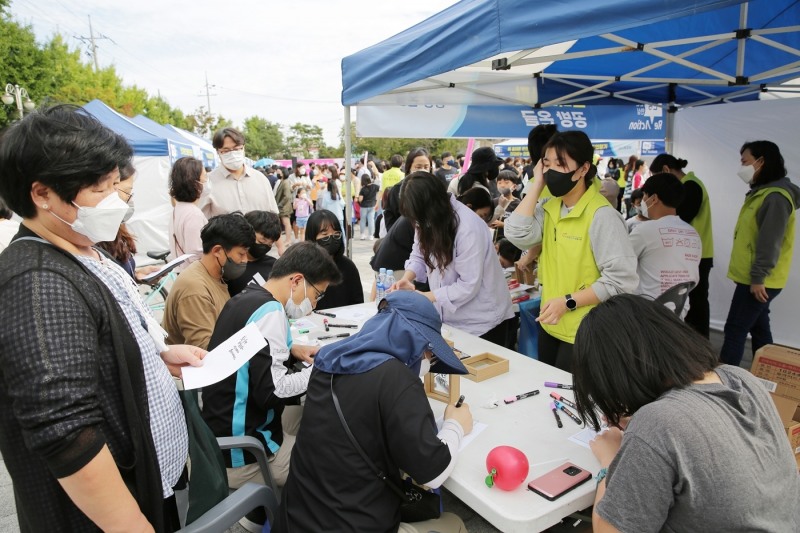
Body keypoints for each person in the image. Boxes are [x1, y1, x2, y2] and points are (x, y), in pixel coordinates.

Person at [0, 105, 204, 531]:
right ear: (42, 194)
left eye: (116, 185)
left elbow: (98, 345)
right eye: (100, 189)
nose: (115, 202)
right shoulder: (38, 281)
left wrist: (151, 357)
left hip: (148, 483)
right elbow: (65, 430)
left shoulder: (82, 247)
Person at [572, 295, 800, 532]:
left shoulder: (658, 423)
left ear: (615, 373)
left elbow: (610, 530)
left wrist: (610, 460)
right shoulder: (741, 377)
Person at [273, 291, 472, 533]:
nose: (429, 358)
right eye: (428, 349)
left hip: (296, 517)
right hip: (354, 522)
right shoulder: (396, 379)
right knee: (454, 523)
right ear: (413, 341)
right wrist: (455, 425)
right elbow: (433, 474)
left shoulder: (329, 357)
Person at [202, 242, 340, 491]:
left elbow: (252, 354)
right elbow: (273, 391)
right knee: (332, 460)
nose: (315, 305)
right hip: (245, 452)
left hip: (221, 429)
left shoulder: (248, 296)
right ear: (297, 281)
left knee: (309, 415)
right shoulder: (271, 313)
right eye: (317, 295)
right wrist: (318, 369)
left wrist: (292, 349)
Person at [504, 131, 638, 370]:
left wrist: (567, 302)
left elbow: (621, 280)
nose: (552, 171)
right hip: (551, 325)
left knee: (576, 402)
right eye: (547, 164)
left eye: (561, 164)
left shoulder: (602, 216)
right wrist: (537, 184)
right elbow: (516, 233)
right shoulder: (549, 208)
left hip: (588, 332)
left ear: (584, 169)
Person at [393, 172, 516, 347]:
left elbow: (468, 285)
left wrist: (425, 296)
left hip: (483, 321)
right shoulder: (426, 218)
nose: (418, 223)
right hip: (451, 319)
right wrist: (407, 278)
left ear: (433, 204)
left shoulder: (468, 227)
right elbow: (419, 253)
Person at [720, 140, 799, 367]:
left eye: (745, 161)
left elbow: (769, 242)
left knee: (736, 328)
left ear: (761, 161)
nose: (741, 166)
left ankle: (725, 383)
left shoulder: (774, 197)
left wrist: (758, 277)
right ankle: (767, 376)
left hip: (758, 279)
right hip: (756, 277)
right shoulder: (762, 193)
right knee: (759, 327)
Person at [163, 213, 254, 349]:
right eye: (241, 254)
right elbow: (205, 349)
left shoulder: (216, 276)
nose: (245, 260)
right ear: (217, 251)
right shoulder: (195, 289)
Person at [649, 153, 714, 337]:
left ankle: (700, 344)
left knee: (696, 302)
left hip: (696, 254)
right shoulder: (691, 184)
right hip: (690, 252)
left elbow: (680, 217)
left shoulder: (691, 186)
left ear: (666, 170)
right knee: (689, 301)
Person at [629, 173, 701, 318]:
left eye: (644, 196)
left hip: (646, 315)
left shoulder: (645, 231)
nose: (642, 202)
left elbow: (618, 261)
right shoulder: (693, 233)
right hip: (678, 314)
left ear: (653, 198)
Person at [201, 127, 278, 218]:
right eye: (226, 151)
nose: (232, 154)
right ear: (218, 152)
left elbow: (273, 215)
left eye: (236, 149)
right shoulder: (207, 183)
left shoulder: (260, 179)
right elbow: (202, 222)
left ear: (243, 148)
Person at [305, 209, 363, 309]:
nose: (331, 238)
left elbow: (358, 301)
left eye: (336, 234)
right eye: (325, 235)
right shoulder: (303, 268)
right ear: (312, 237)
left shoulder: (348, 266)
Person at [227, 210, 282, 297]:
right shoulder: (230, 267)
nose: (264, 246)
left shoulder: (274, 265)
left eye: (269, 244)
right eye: (261, 241)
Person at [168, 156, 209, 272]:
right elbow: (196, 254)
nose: (207, 182)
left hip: (182, 272)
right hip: (194, 275)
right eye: (205, 177)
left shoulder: (178, 209)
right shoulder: (193, 214)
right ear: (195, 183)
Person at [357, 173, 379, 240]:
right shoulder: (375, 186)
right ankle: (370, 235)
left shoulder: (363, 189)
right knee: (371, 220)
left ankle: (362, 234)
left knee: (363, 220)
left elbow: (360, 199)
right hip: (372, 205)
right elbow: (379, 192)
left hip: (364, 206)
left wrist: (358, 199)